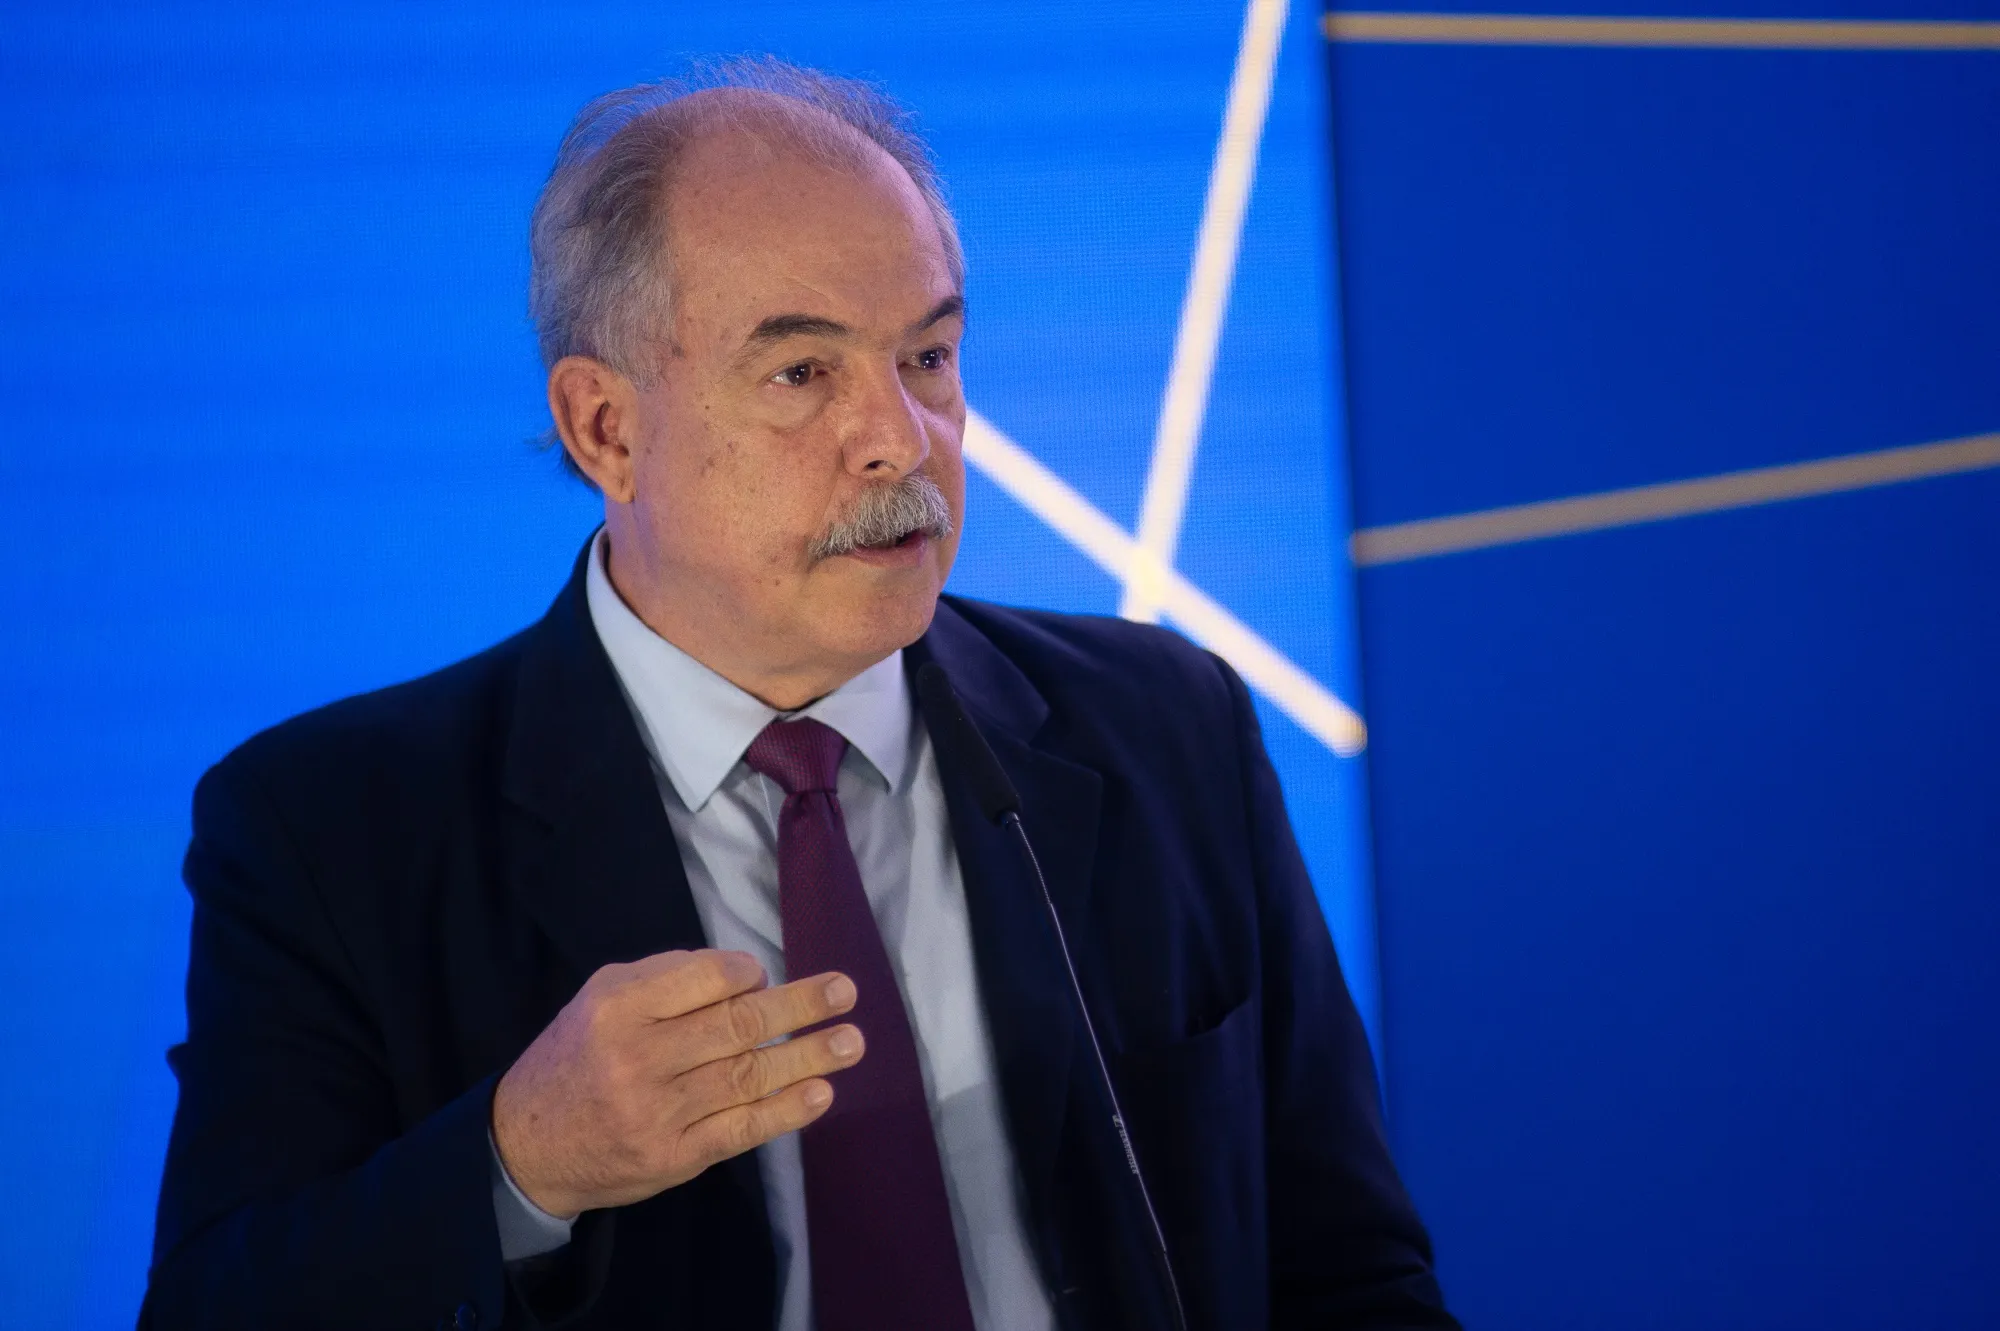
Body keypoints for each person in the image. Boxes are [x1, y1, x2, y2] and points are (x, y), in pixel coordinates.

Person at [142, 58, 1457, 1331]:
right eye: (802, 373)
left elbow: (1352, 1277)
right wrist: (516, 1164)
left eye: (928, 356)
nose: (900, 438)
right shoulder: (330, 828)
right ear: (606, 429)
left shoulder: (1170, 728)